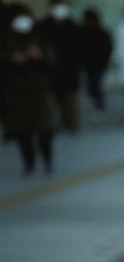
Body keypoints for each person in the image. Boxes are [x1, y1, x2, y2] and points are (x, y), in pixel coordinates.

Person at [1, 3, 56, 175]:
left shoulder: (39, 37)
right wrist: (10, 60)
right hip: (15, 93)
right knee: (22, 131)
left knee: (44, 129)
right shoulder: (5, 41)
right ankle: (29, 162)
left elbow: (53, 63)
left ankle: (47, 159)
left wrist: (40, 56)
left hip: (38, 90)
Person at [37, 0, 80, 131]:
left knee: (70, 98)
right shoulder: (44, 26)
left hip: (70, 69)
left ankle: (71, 122)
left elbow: (80, 47)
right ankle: (57, 122)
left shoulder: (72, 25)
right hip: (50, 69)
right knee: (54, 98)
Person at [78, 7, 112, 114]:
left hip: (99, 65)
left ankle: (100, 106)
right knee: (91, 86)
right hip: (89, 65)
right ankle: (98, 105)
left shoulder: (101, 32)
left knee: (95, 85)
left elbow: (107, 48)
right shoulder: (83, 31)